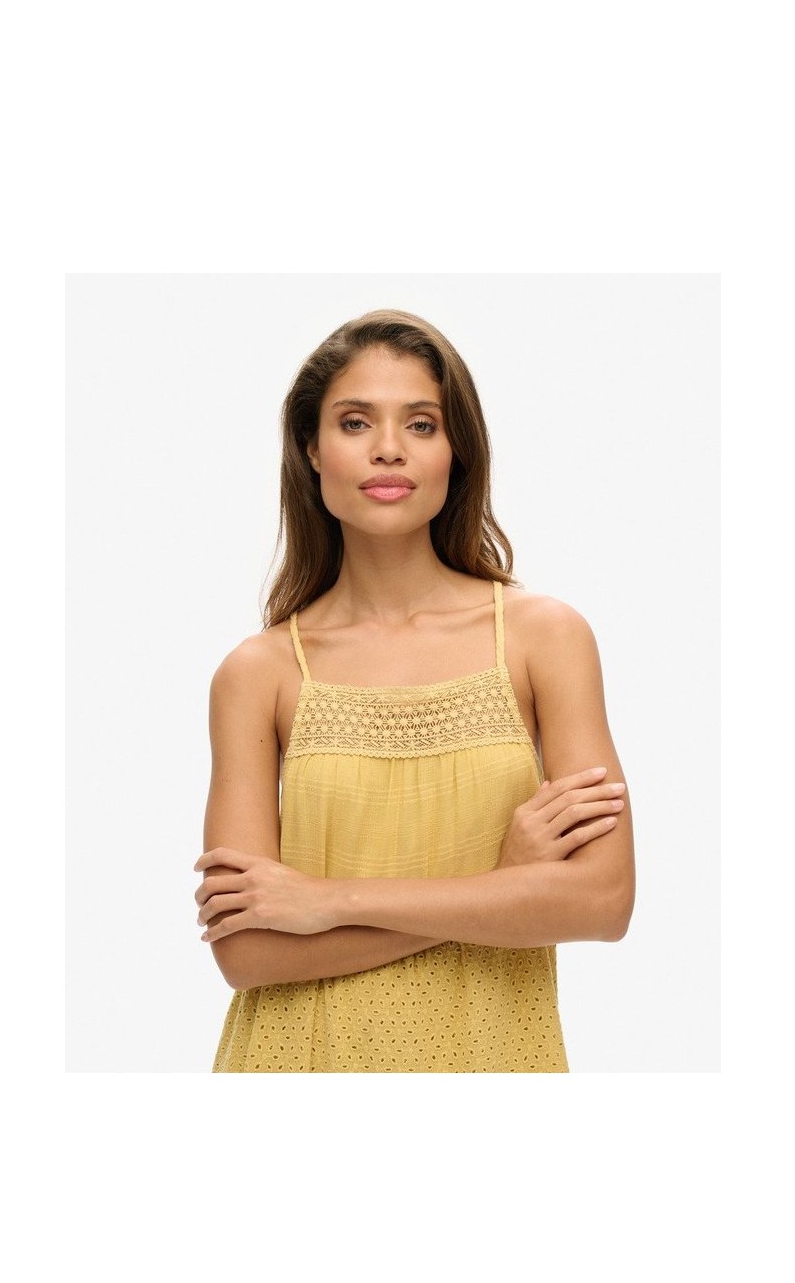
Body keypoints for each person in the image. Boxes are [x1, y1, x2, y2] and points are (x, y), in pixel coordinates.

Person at [194, 309, 634, 1072]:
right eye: (355, 422)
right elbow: (248, 952)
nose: (389, 447)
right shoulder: (259, 673)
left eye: (422, 424)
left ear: (457, 451)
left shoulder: (541, 639)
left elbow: (602, 902)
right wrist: (502, 887)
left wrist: (328, 903)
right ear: (312, 449)